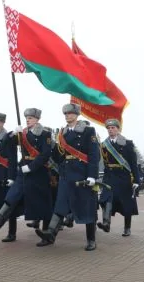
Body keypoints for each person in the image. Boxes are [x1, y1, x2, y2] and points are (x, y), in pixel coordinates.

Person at [35, 103, 100, 251]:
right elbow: (60, 157)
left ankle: (91, 240)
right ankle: (50, 234)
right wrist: (52, 146)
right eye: (66, 114)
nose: (67, 116)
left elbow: (93, 155)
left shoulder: (88, 131)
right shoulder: (62, 133)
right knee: (61, 205)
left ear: (77, 115)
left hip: (82, 174)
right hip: (66, 174)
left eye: (70, 113)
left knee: (87, 207)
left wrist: (92, 176)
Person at [0, 108, 54, 239]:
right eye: (27, 118)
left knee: (43, 201)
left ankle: (46, 232)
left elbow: (45, 154)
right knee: (13, 193)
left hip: (39, 170)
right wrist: (12, 134)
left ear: (37, 119)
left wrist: (31, 167)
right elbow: (7, 143)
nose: (28, 120)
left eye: (31, 118)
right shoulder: (23, 133)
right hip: (23, 169)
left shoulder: (45, 133)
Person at [97, 119, 141, 237]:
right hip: (109, 176)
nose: (110, 130)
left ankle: (127, 228)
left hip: (123, 177)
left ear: (118, 129)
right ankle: (106, 223)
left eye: (113, 128)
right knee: (105, 199)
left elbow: (133, 164)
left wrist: (136, 180)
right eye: (109, 128)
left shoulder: (127, 143)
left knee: (126, 203)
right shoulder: (104, 145)